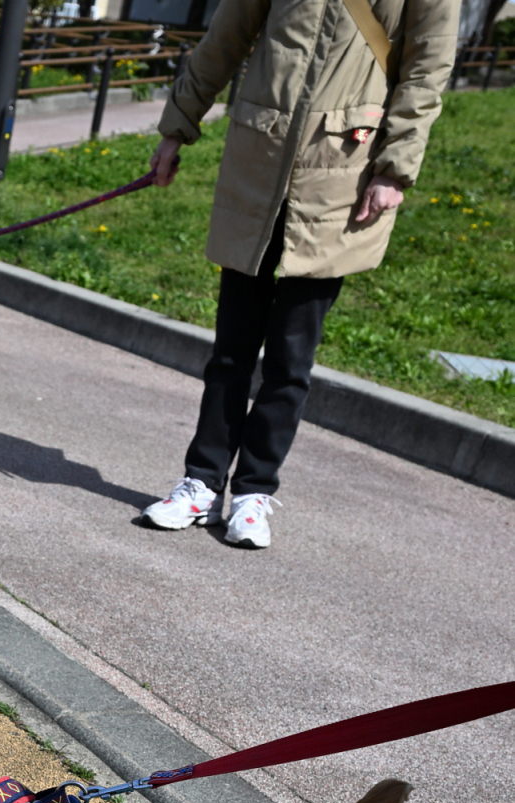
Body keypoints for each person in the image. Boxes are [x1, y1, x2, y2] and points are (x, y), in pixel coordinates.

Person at [144, 0, 459, 549]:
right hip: (256, 166)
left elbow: (427, 69)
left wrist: (395, 168)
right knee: (230, 351)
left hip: (341, 180)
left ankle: (253, 492)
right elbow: (225, 38)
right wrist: (177, 127)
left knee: (290, 359)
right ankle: (202, 483)